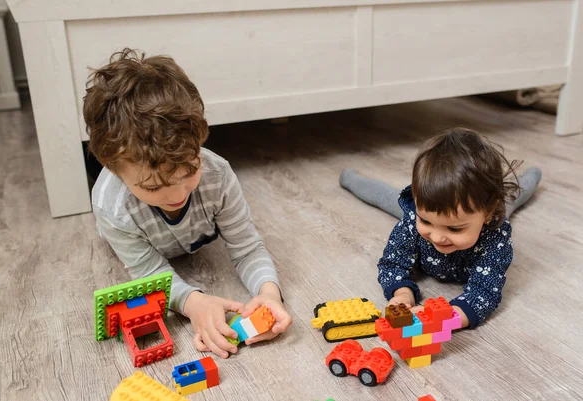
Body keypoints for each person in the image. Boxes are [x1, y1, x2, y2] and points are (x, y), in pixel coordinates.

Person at [83, 48, 292, 358]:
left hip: (193, 234)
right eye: (154, 186)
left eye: (190, 170)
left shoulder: (217, 174)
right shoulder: (113, 208)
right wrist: (193, 303)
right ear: (113, 169)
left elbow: (247, 246)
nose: (176, 194)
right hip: (139, 238)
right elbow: (149, 272)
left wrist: (269, 293)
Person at [340, 128, 542, 328]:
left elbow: (484, 294)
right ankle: (351, 179)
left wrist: (441, 319)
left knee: (512, 197)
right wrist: (402, 293)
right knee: (385, 197)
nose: (436, 237)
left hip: (494, 211)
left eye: (454, 229)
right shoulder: (413, 217)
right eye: (427, 222)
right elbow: (392, 263)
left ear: (487, 214)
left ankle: (532, 175)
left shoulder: (495, 235)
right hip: (422, 210)